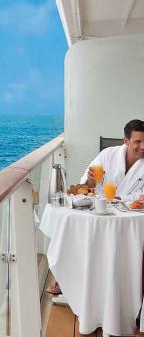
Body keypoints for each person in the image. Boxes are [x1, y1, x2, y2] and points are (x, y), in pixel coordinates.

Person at [47, 119, 144, 298]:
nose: (143, 146)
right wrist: (91, 181)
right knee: (77, 229)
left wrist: (124, 199)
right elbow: (86, 185)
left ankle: (120, 286)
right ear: (126, 141)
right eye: (138, 141)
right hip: (101, 211)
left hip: (130, 215)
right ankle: (69, 279)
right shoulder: (108, 155)